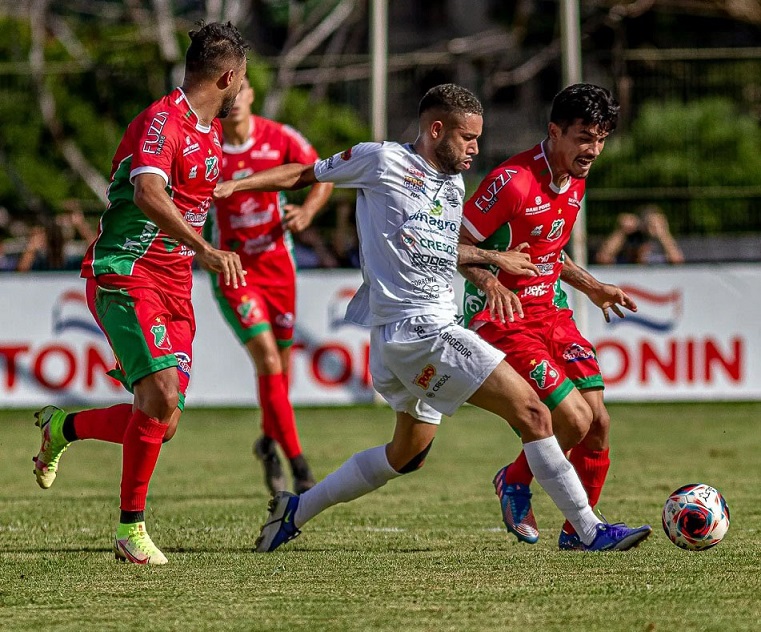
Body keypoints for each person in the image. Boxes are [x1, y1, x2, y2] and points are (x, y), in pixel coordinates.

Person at [214, 83, 652, 553]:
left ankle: (295, 511)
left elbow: (435, 246)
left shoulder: (452, 181)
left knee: (406, 454)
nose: (476, 149)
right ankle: (588, 530)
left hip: (405, 338)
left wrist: (494, 259)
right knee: (534, 412)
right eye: (468, 138)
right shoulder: (382, 161)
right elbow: (305, 173)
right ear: (436, 129)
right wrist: (237, 184)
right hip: (420, 329)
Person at [31, 21, 249, 565]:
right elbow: (149, 193)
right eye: (241, 81)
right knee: (163, 394)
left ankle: (64, 426)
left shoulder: (211, 133)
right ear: (227, 76)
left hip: (176, 287)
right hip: (127, 272)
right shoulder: (162, 121)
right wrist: (205, 247)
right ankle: (131, 530)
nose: (242, 92)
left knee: (162, 419)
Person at [459, 83, 640, 551]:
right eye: (584, 137)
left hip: (553, 312)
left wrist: (593, 287)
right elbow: (452, 246)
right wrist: (493, 281)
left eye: (600, 139)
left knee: (598, 422)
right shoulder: (512, 181)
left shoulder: (576, 179)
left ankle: (576, 536)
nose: (593, 150)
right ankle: (517, 483)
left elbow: (550, 254)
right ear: (554, 131)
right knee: (574, 420)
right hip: (506, 319)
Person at [211, 75, 334, 495]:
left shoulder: (279, 137)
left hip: (278, 267)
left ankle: (267, 443)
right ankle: (299, 466)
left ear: (250, 95)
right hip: (234, 270)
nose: (237, 99)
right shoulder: (206, 144)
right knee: (266, 360)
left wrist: (309, 211)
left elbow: (324, 174)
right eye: (230, 93)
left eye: (242, 90)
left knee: (280, 371)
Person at [595, 205, 684, 265]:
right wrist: (621, 231)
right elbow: (603, 258)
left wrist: (663, 233)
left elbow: (677, 260)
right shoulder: (630, 237)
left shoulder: (660, 242)